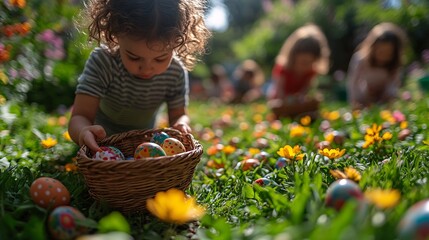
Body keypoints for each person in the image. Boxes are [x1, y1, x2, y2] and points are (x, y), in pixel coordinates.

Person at [68, 0, 211, 152]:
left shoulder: (175, 73)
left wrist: (181, 124)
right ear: (115, 35)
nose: (146, 68)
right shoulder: (104, 62)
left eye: (160, 58)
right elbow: (80, 116)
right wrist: (84, 132)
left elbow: (178, 116)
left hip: (144, 144)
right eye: (134, 57)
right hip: (101, 143)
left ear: (177, 42)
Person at [267, 24, 330, 119]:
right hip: (280, 102)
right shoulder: (283, 69)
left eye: (310, 63)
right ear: (293, 57)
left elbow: (305, 92)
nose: (305, 66)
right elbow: (279, 93)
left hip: (297, 106)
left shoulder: (311, 72)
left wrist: (303, 100)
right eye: (303, 62)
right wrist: (289, 102)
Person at [346, 22, 407, 109]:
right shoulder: (360, 59)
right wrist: (356, 101)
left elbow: (394, 84)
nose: (383, 56)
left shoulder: (394, 65)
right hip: (364, 98)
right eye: (380, 52)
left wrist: (387, 97)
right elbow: (353, 83)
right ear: (372, 48)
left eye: (388, 53)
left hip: (385, 99)